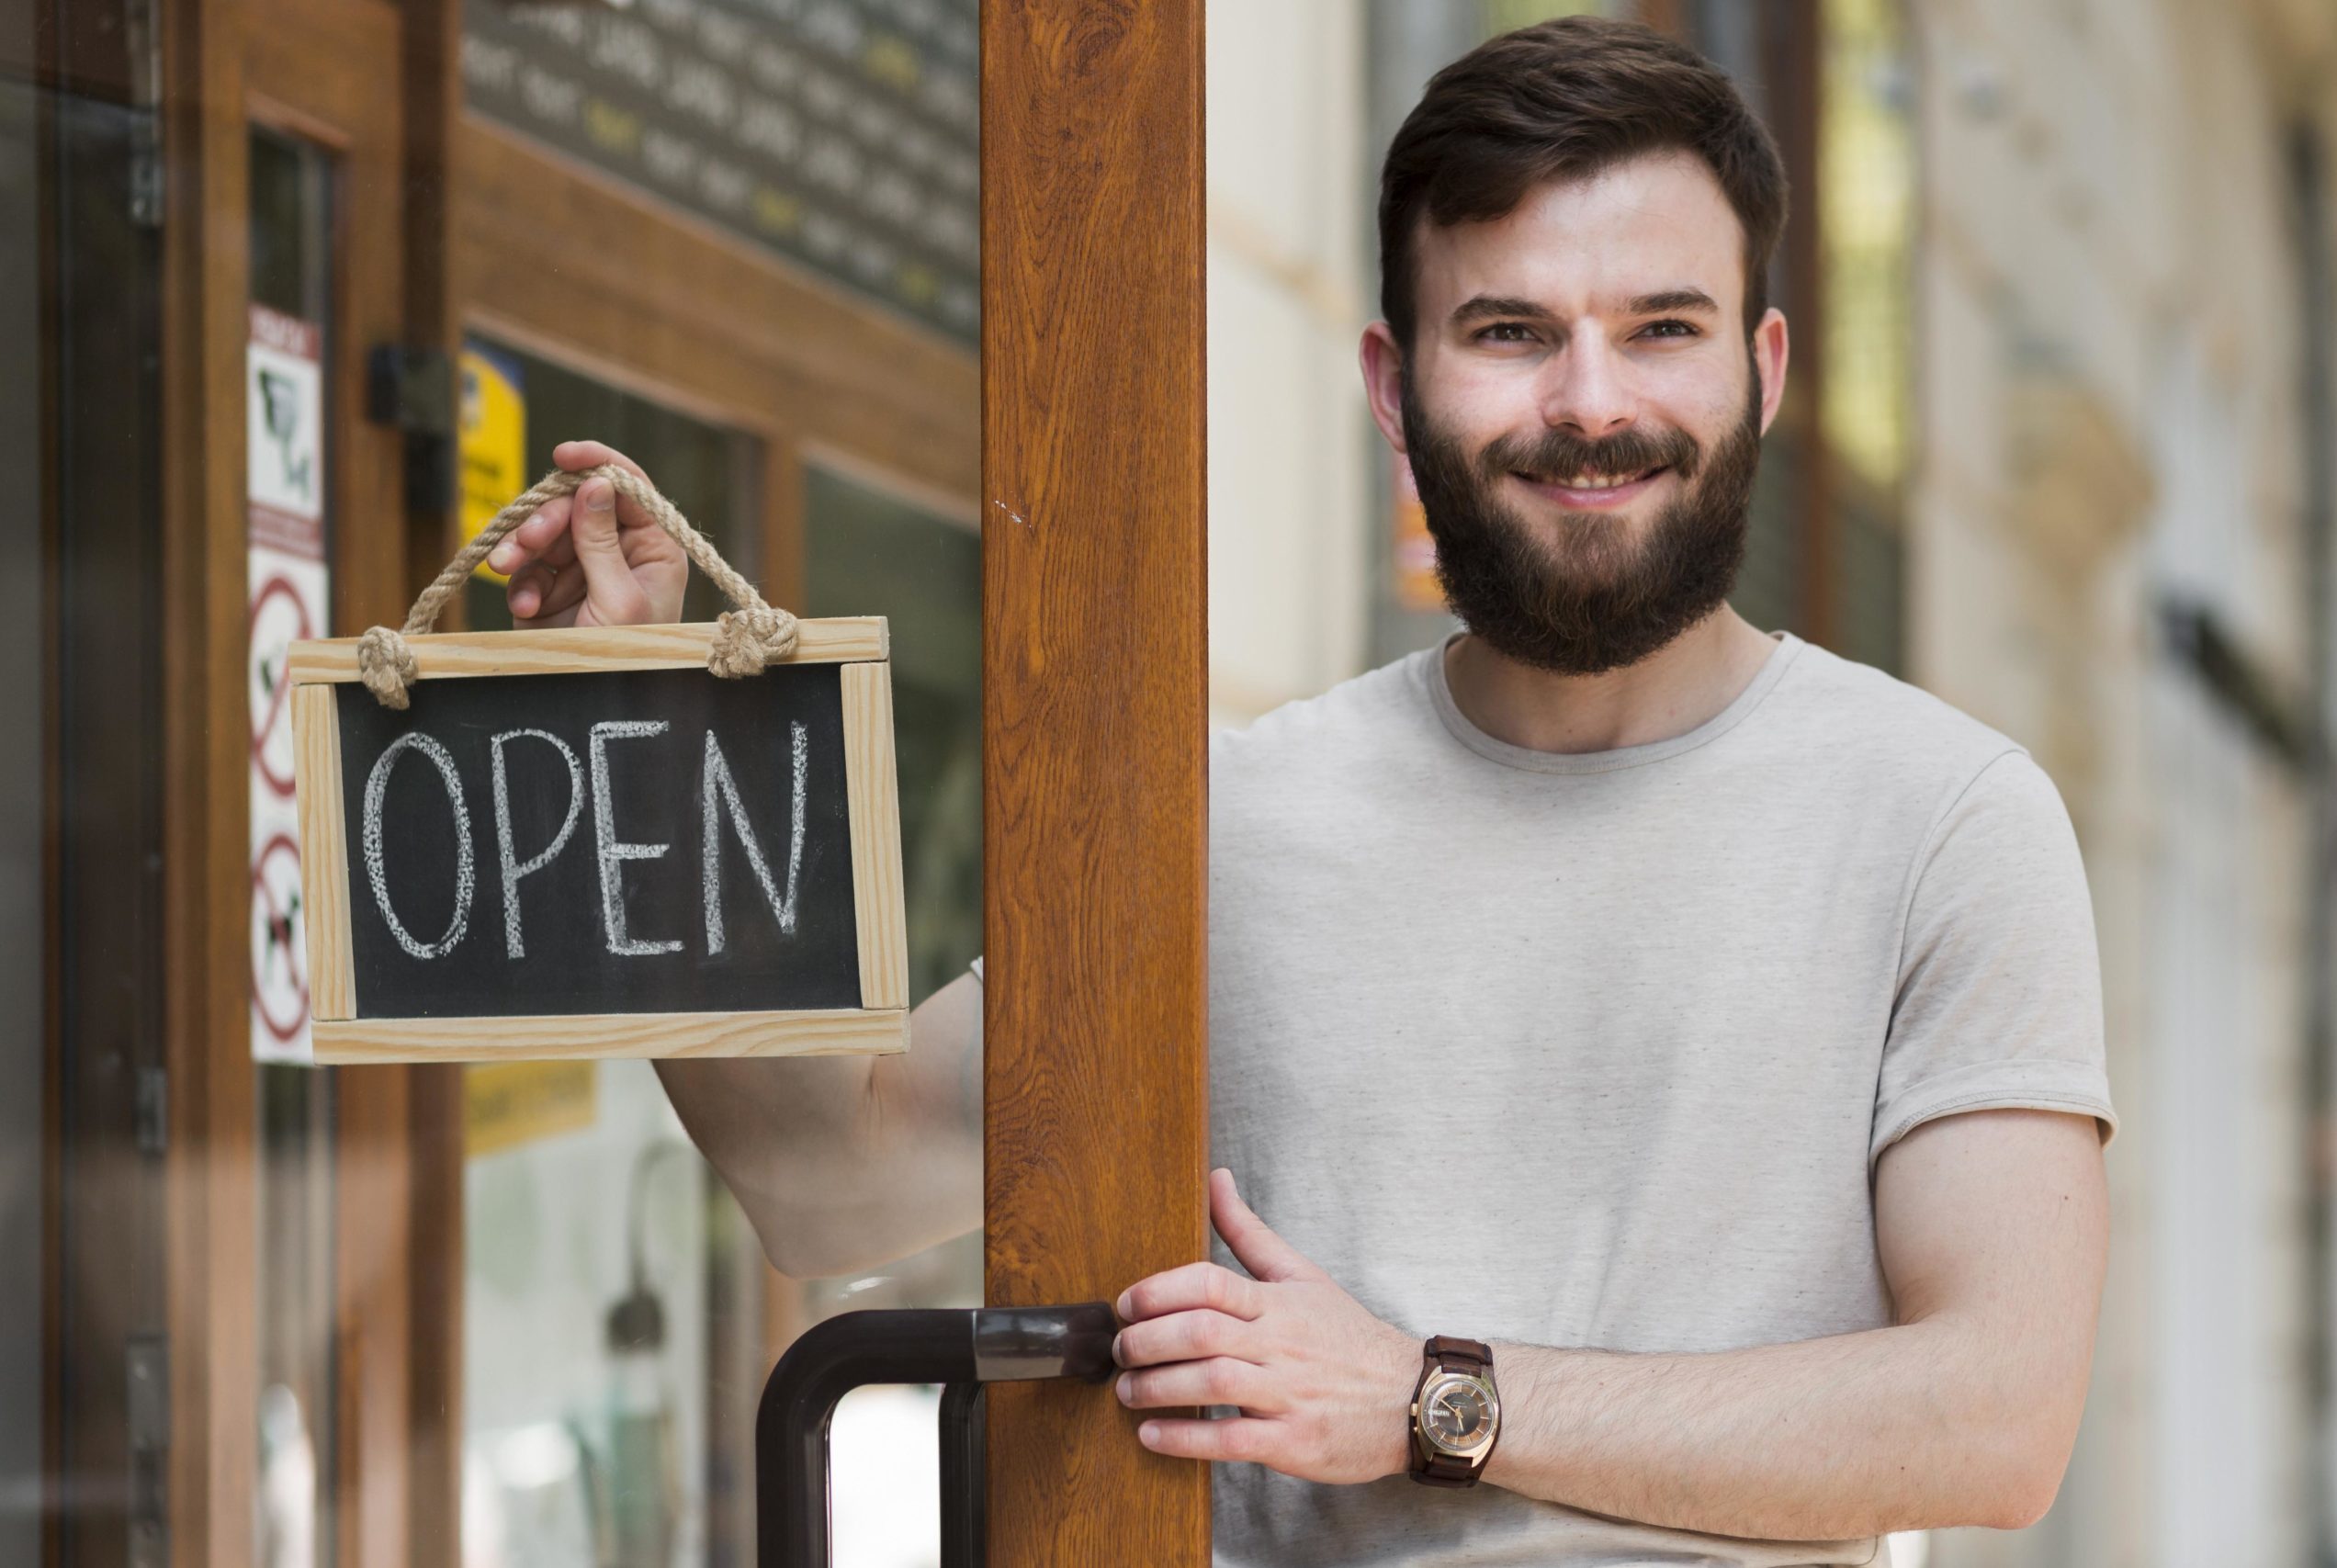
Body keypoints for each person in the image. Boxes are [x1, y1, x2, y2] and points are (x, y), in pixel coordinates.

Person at [491, 16, 2114, 1564]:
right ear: (1395, 387)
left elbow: (1997, 1415)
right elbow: (826, 1178)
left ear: (1761, 366)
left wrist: (1426, 1400)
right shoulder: (1227, 824)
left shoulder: (1947, 818)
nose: (1592, 403)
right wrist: (635, 750)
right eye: (1510, 332)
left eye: (1661, 328)